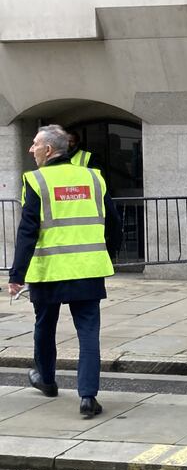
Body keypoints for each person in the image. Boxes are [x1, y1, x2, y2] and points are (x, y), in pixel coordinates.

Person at [7, 125, 121, 418]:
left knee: (45, 326)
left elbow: (28, 231)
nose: (30, 150)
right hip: (88, 269)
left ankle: (46, 379)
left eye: (34, 145)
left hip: (50, 272)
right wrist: (110, 253)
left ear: (48, 149)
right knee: (88, 334)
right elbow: (114, 222)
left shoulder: (35, 180)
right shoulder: (93, 177)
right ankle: (88, 397)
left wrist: (16, 275)